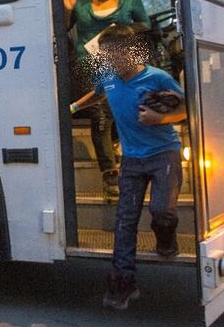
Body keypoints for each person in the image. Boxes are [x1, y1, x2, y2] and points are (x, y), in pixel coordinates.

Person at [70, 25, 186, 310]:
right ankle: (123, 282)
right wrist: (72, 108)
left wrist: (158, 119)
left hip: (163, 155)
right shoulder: (109, 78)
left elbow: (188, 109)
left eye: (113, 56)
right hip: (132, 159)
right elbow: (97, 94)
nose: (108, 62)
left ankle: (166, 239)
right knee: (125, 221)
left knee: (162, 210)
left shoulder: (157, 77)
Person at [64, 0, 148, 196]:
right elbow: (63, 29)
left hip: (121, 59)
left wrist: (122, 30)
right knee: (101, 110)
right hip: (89, 62)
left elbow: (146, 25)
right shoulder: (80, 1)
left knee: (116, 104)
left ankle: (122, 151)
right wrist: (68, 11)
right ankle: (110, 172)